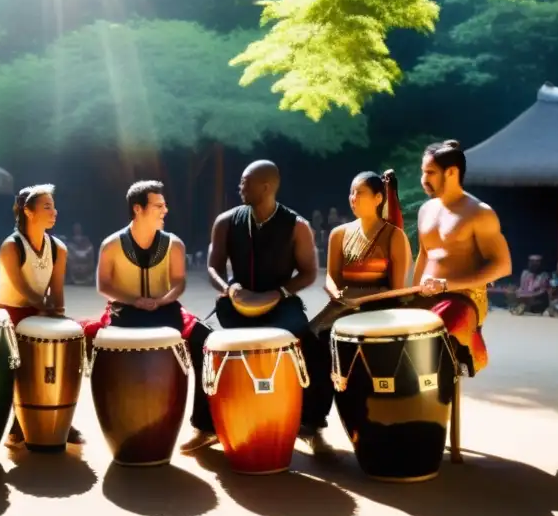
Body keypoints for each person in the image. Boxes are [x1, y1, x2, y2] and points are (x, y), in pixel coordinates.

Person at [185, 160, 334, 456]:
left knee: (313, 347)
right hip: (234, 303)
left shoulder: (297, 226)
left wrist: (279, 293)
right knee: (204, 341)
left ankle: (312, 426)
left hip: (280, 303)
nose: (239, 187)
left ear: (266, 187)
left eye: (245, 182)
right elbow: (213, 267)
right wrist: (229, 288)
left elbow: (308, 273)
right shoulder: (226, 221)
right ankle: (205, 426)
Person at [82, 180, 211, 427]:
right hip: (123, 311)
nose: (165, 210)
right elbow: (104, 286)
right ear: (137, 209)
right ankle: (112, 419)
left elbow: (178, 283)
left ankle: (204, 423)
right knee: (91, 340)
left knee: (205, 339)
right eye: (158, 205)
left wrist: (162, 300)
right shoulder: (111, 245)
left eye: (164, 205)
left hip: (166, 309)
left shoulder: (174, 244)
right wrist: (134, 300)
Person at [0, 184, 84, 448]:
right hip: (5, 312)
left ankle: (59, 416)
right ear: (28, 212)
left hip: (37, 311)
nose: (54, 212)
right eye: (47, 206)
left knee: (60, 351)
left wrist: (60, 318)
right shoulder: (11, 246)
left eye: (53, 206)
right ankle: (19, 422)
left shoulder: (58, 248)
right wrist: (45, 310)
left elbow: (57, 291)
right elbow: (24, 290)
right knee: (23, 365)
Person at [411, 140, 512, 375]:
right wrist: (414, 293)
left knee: (438, 328)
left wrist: (447, 285)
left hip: (463, 298)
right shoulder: (425, 210)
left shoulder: (479, 213)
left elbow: (503, 265)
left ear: (452, 172)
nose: (424, 179)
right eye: (423, 172)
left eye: (430, 173)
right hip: (427, 294)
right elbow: (424, 255)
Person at [310, 170, 412, 335]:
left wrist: (365, 299)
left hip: (379, 309)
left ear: (378, 198)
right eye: (352, 193)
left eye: (360, 193)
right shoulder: (338, 233)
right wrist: (336, 294)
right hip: (343, 307)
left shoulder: (394, 236)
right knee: (310, 337)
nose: (353, 198)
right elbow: (331, 276)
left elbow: (396, 290)